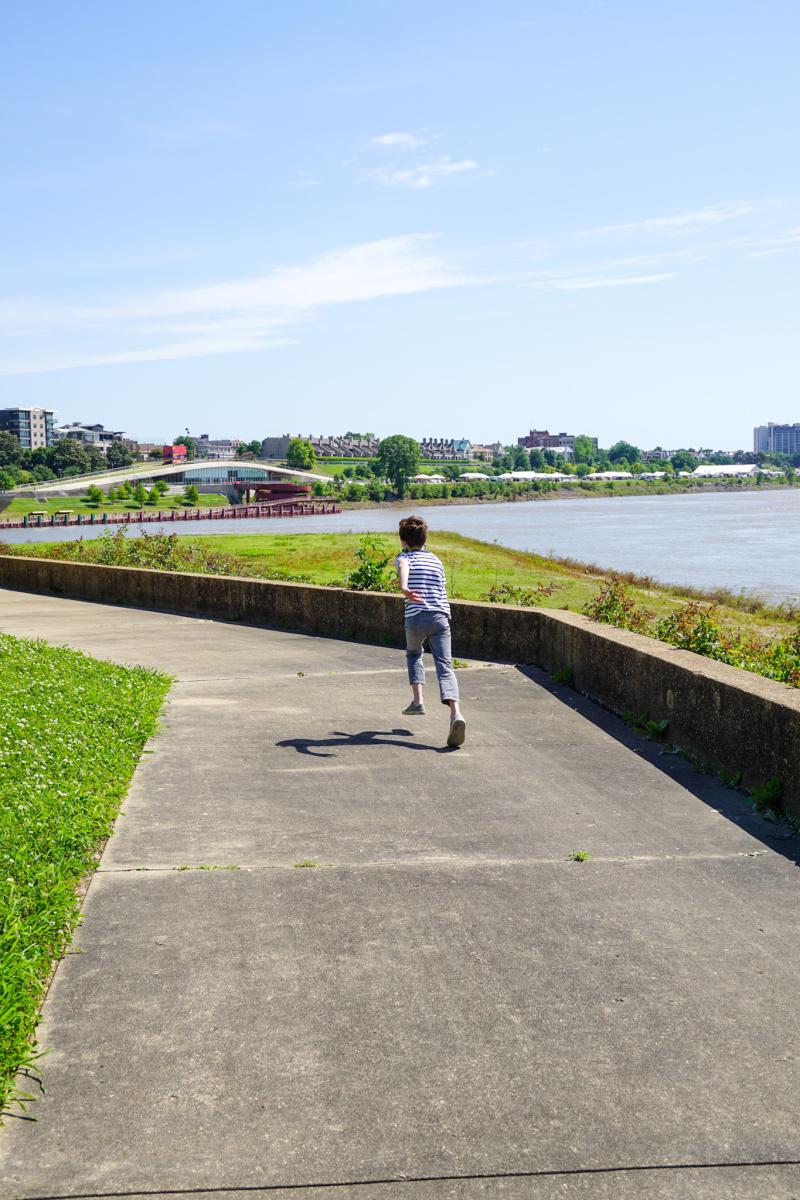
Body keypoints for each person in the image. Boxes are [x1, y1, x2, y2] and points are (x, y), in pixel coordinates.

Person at [394, 515, 466, 748]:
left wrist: (404, 587)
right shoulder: (436, 560)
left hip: (415, 617)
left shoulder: (404, 557)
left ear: (404, 541)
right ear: (425, 539)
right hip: (440, 617)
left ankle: (418, 701)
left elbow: (404, 566)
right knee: (445, 665)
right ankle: (456, 713)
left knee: (414, 654)